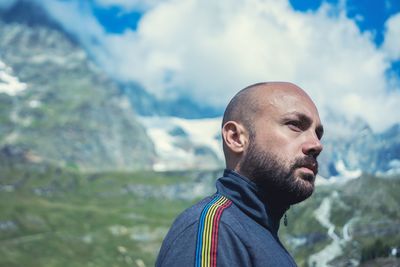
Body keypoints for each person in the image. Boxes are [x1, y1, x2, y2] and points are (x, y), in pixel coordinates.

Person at [156, 82, 324, 267]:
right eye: (295, 125)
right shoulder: (214, 230)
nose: (316, 144)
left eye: (318, 134)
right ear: (236, 138)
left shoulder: (255, 234)